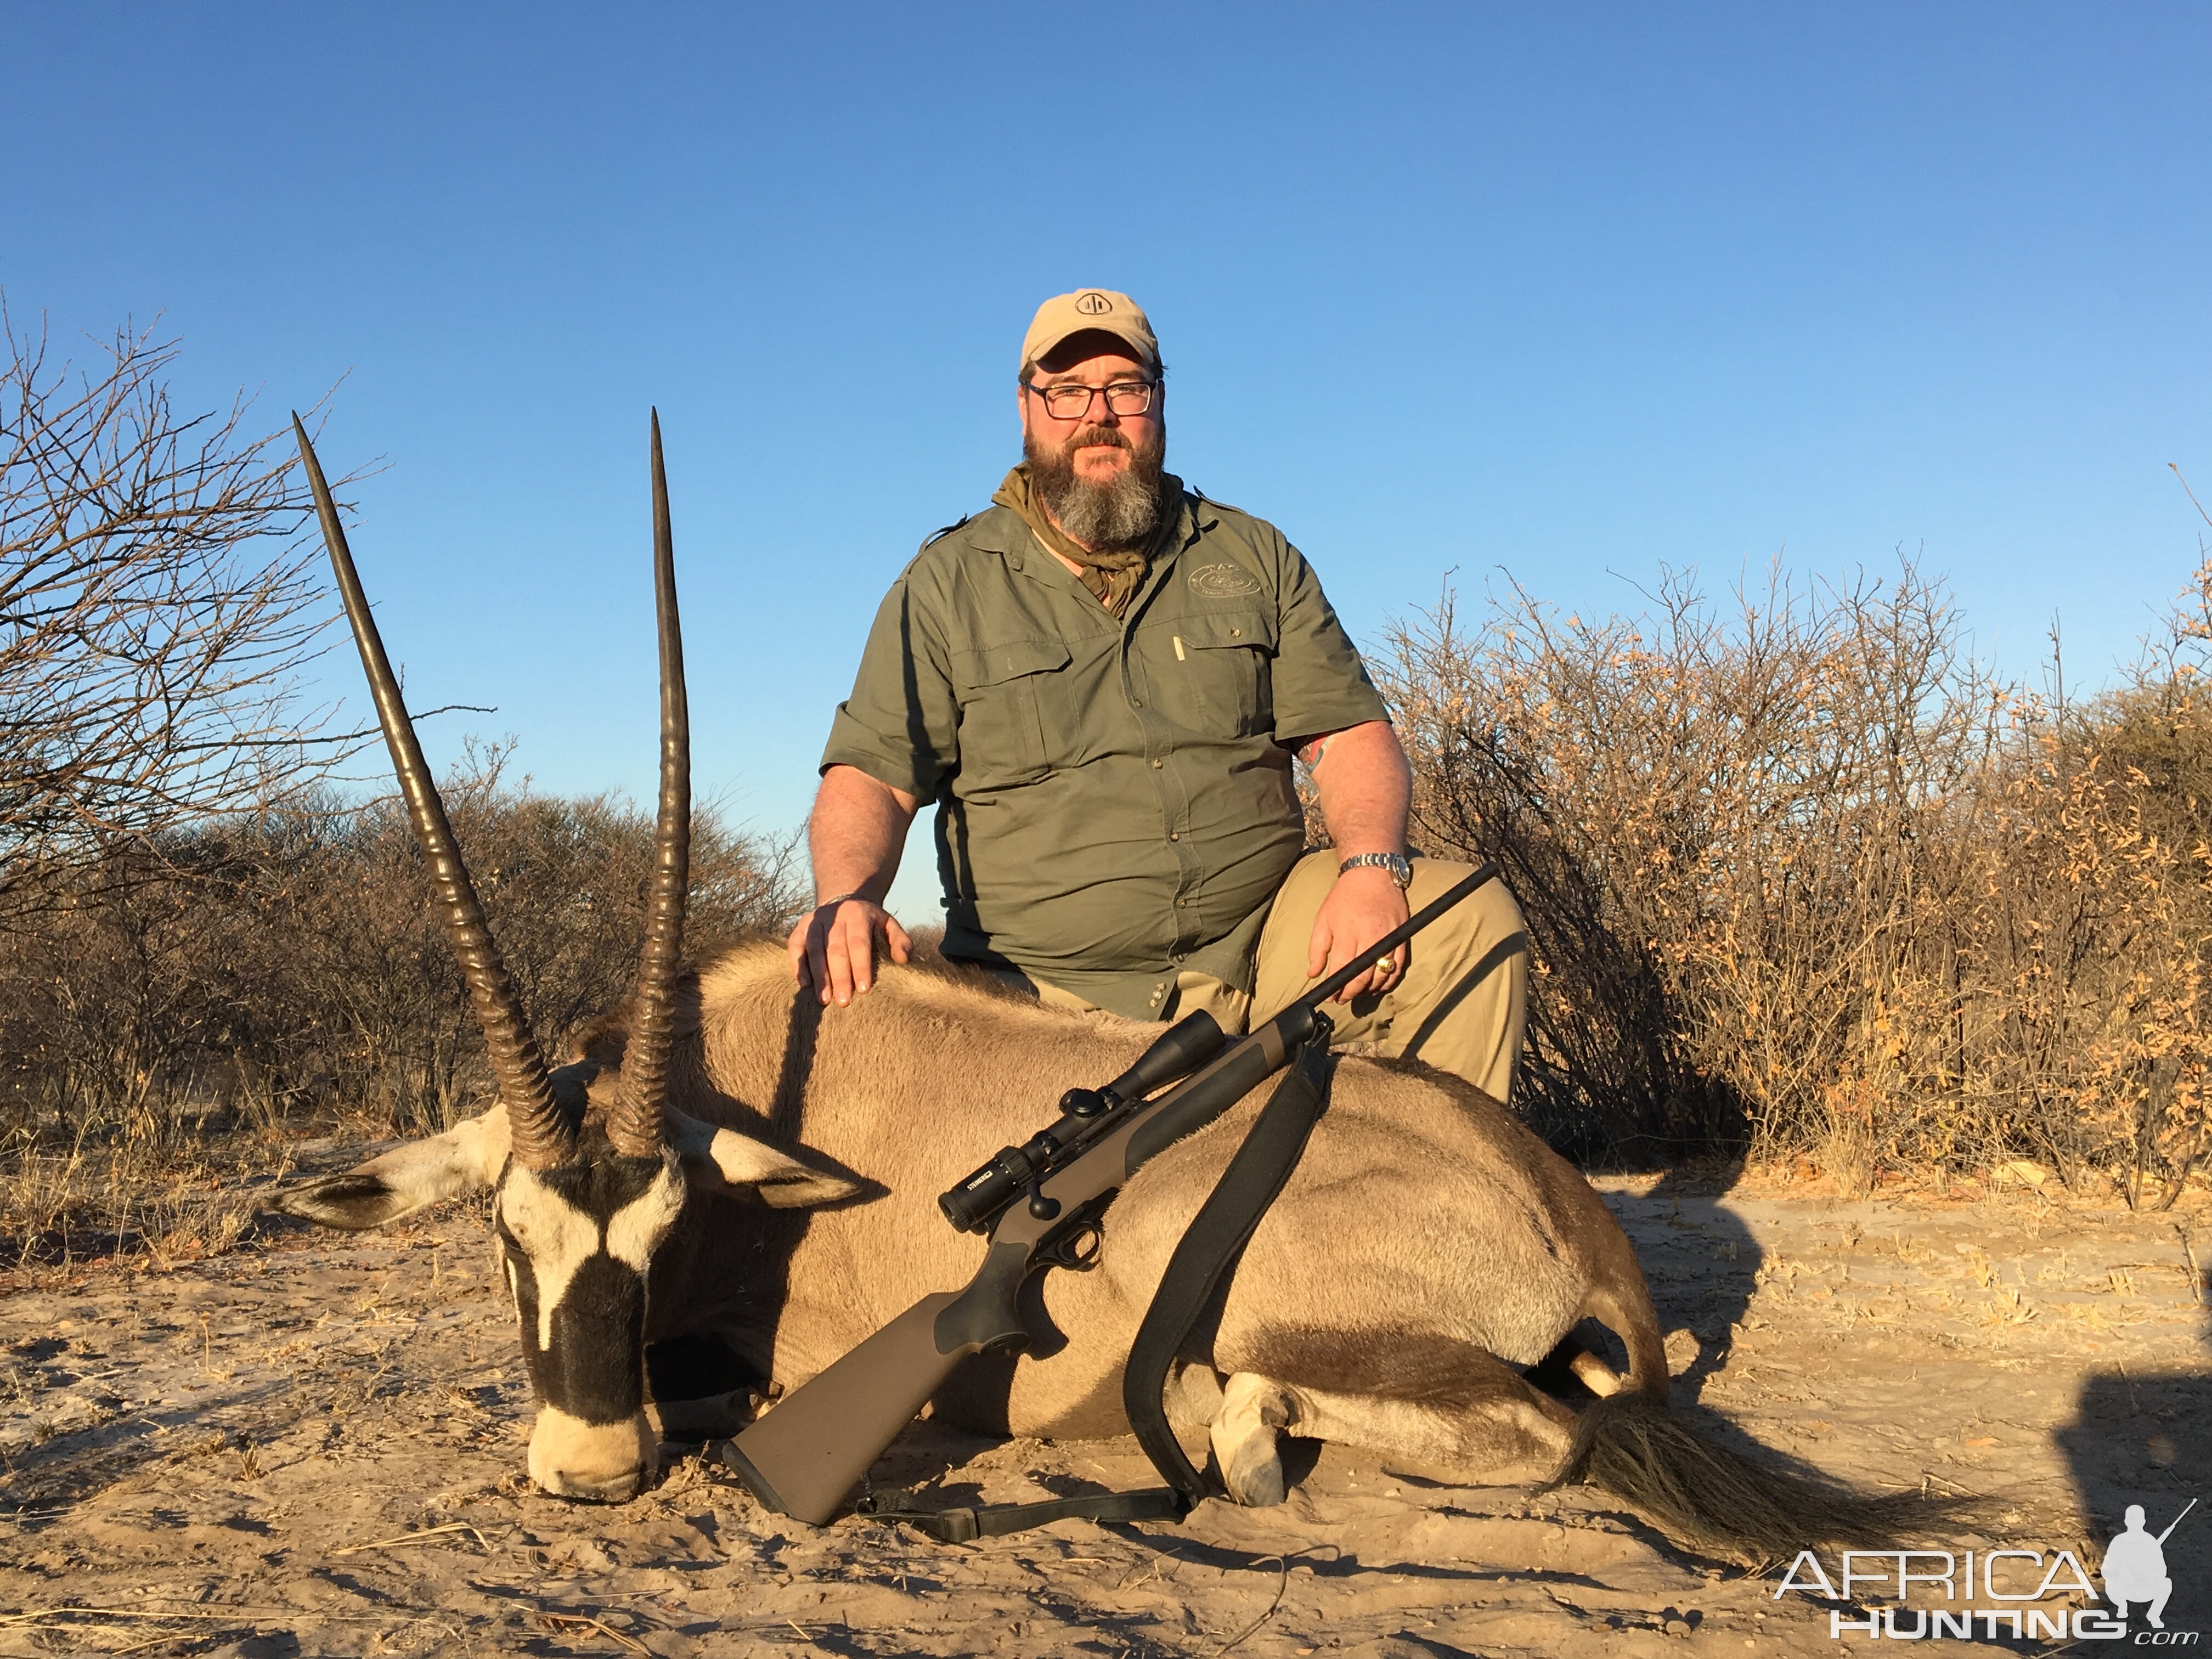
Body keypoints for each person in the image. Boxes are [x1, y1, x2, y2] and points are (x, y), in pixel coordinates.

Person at [787, 289, 1530, 1102]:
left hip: (1262, 953)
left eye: (1125, 387)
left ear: (1159, 401)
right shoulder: (945, 583)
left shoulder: (1252, 554)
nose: (1097, 414)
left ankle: (1447, 1215)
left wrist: (1370, 869)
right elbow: (874, 777)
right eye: (1067, 390)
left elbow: (1349, 735)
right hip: (1043, 998)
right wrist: (847, 900)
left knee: (1468, 921)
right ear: (1027, 408)